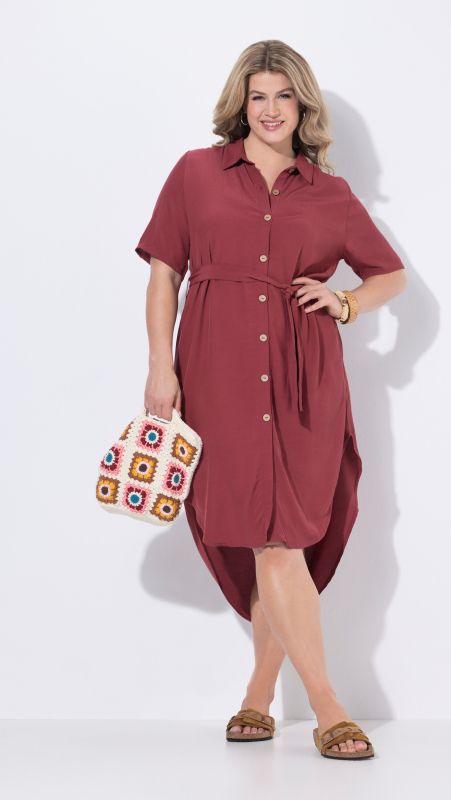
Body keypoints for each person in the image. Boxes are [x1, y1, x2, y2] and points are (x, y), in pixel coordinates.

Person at [134, 39, 406, 759]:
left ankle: (264, 695)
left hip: (303, 379)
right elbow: (164, 275)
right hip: (218, 376)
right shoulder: (195, 173)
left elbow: (389, 276)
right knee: (268, 538)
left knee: (280, 541)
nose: (271, 109)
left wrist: (345, 303)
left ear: (302, 105)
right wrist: (161, 366)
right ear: (241, 104)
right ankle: (325, 708)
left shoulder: (331, 195)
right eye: (258, 96)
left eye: (284, 96)